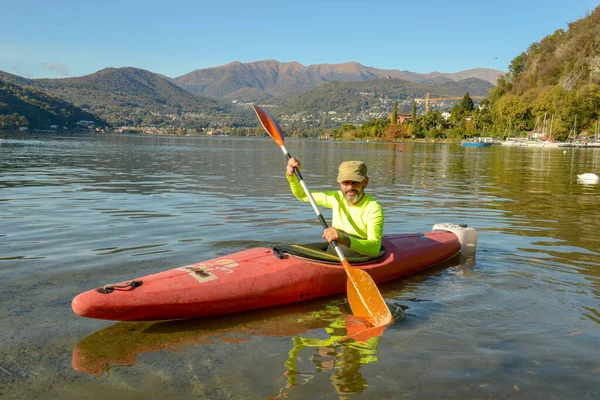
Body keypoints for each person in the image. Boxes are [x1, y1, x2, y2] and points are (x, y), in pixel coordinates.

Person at [286, 158, 384, 257]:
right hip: (334, 250)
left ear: (365, 182)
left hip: (357, 256)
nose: (350, 187)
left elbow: (374, 248)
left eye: (355, 182)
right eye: (345, 183)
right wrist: (292, 176)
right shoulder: (335, 197)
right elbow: (303, 195)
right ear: (340, 183)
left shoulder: (373, 208)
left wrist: (344, 240)